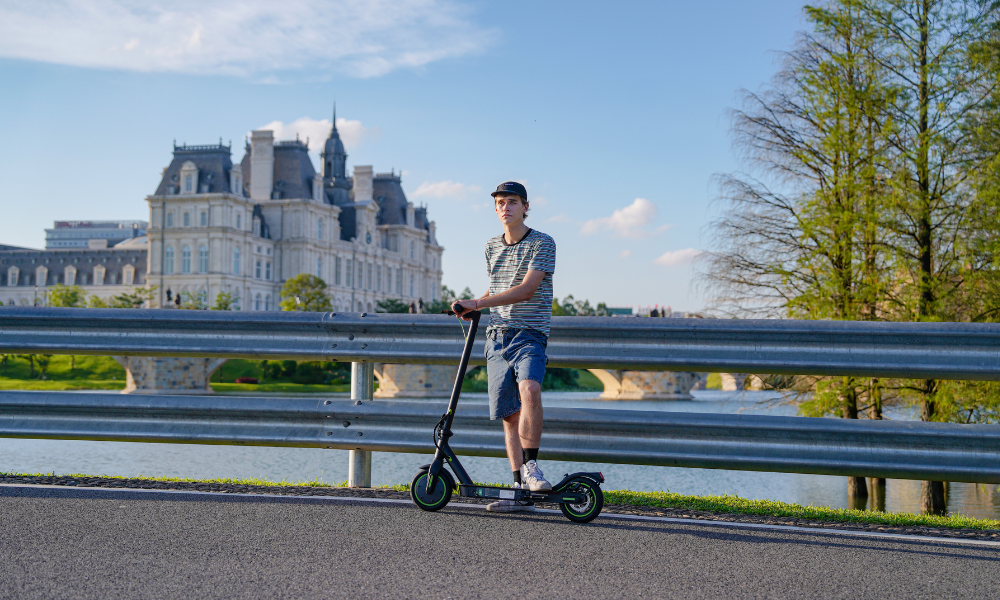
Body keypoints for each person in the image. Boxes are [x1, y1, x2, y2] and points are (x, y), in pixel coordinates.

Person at [451, 181, 556, 513]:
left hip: (529, 333)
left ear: (526, 207)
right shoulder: (491, 246)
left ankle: (532, 468)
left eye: (512, 202)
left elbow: (526, 290)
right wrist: (476, 308)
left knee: (530, 391)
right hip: (497, 336)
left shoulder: (543, 242)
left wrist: (478, 301)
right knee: (509, 416)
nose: (505, 208)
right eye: (500, 203)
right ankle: (518, 491)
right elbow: (498, 287)